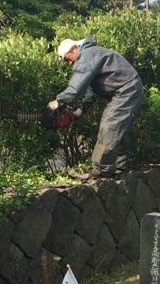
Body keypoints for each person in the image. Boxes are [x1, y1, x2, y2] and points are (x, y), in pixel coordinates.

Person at [49, 37, 144, 179]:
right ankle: (119, 168)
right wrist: (79, 112)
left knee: (109, 126)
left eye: (68, 59)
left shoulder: (86, 55)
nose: (69, 63)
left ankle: (102, 170)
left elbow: (75, 89)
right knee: (118, 128)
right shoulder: (91, 54)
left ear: (74, 48)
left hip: (126, 89)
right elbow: (90, 91)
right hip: (130, 87)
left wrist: (57, 102)